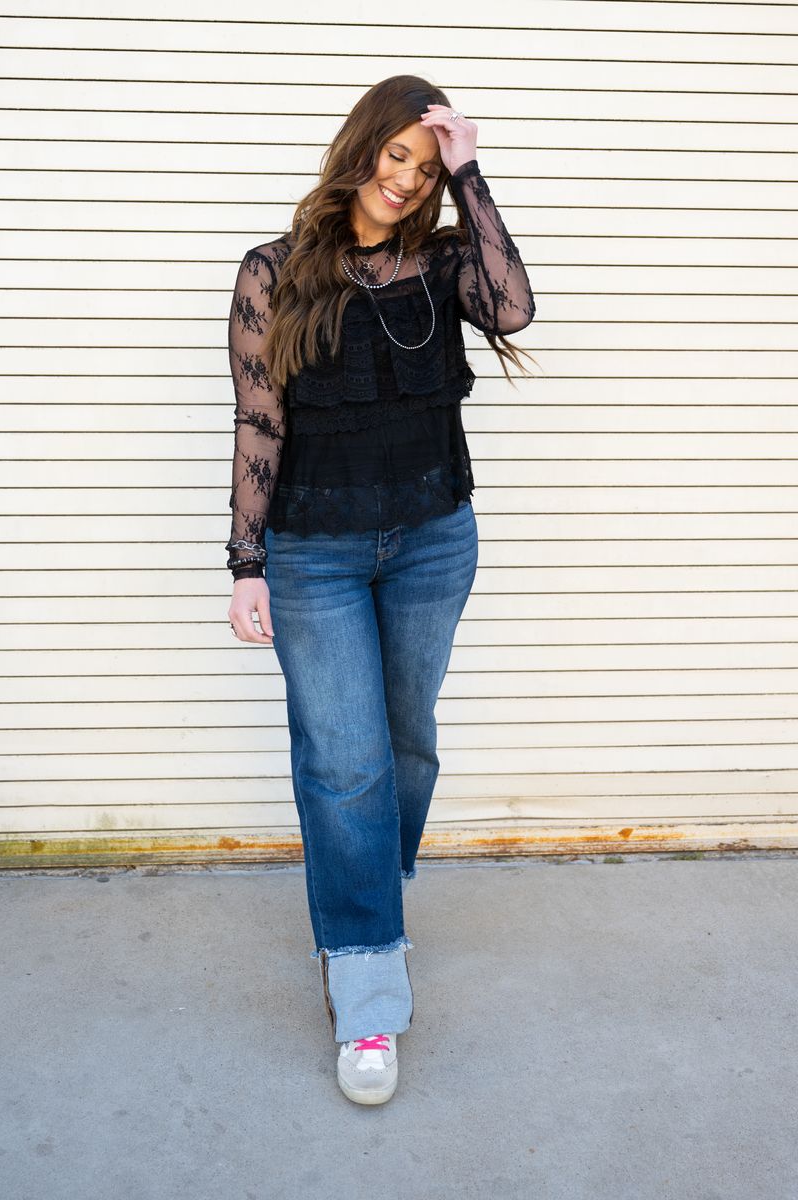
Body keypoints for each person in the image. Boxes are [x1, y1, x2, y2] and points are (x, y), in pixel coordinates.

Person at [224, 75, 536, 1105]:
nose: (404, 180)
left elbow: (514, 307)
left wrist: (471, 172)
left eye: (422, 166)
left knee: (406, 746)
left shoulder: (443, 264)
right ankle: (366, 982)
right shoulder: (273, 272)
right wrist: (246, 562)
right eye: (394, 155)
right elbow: (259, 421)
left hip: (433, 541)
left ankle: (364, 889)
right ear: (359, 149)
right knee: (345, 764)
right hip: (313, 554)